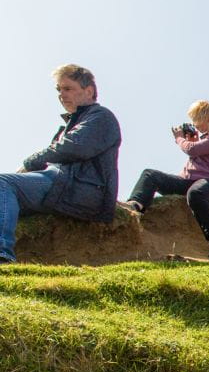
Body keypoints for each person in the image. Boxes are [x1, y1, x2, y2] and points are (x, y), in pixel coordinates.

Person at [0, 64, 121, 264]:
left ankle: (3, 255)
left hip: (82, 189)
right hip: (63, 184)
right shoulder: (71, 124)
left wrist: (30, 162)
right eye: (59, 90)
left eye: (67, 88)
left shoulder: (101, 117)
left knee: (3, 183)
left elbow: (73, 147)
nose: (61, 95)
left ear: (89, 90)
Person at [120, 101, 209, 258]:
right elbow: (196, 150)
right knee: (150, 174)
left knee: (196, 193)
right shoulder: (205, 140)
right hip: (187, 180)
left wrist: (180, 138)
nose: (195, 125)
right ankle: (135, 205)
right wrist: (193, 141)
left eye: (196, 120)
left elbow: (192, 150)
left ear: (204, 117)